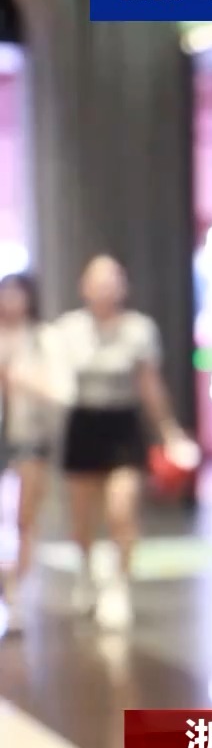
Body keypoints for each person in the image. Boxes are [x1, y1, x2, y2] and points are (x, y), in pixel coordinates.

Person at [53, 256, 190, 628]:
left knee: (121, 509)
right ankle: (86, 572)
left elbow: (149, 384)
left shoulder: (139, 329)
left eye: (112, 280)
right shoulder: (68, 329)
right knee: (82, 516)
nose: (105, 289)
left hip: (123, 425)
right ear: (84, 286)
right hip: (84, 424)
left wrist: (169, 430)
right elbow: (54, 380)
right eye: (97, 281)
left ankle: (119, 587)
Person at [0, 272, 68, 635]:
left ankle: (16, 593)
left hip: (29, 437)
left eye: (17, 294)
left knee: (25, 518)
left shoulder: (44, 339)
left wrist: (20, 379)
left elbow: (62, 390)